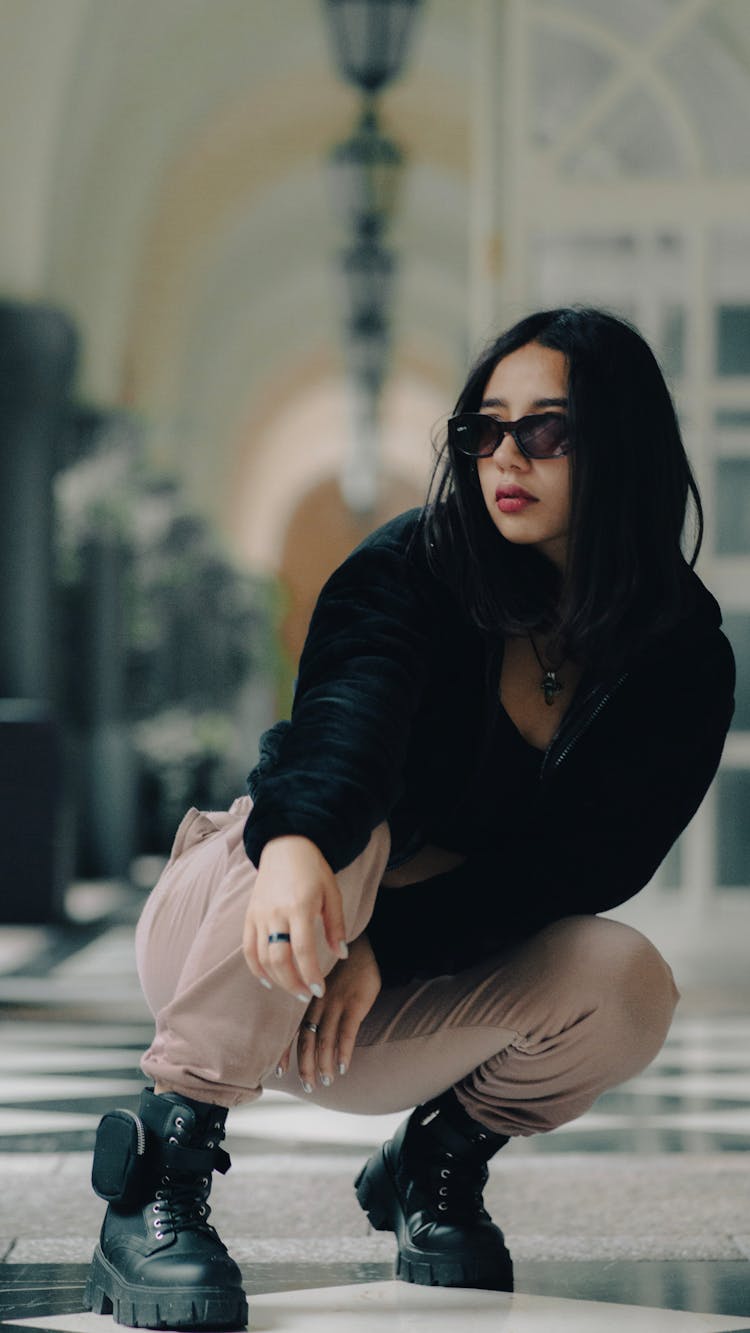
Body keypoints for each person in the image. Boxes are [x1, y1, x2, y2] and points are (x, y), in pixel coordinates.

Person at [84, 308, 735, 1330]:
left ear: (623, 444)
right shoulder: (413, 568)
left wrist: (389, 944)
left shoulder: (681, 654)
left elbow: (587, 864)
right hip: (240, 931)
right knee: (350, 831)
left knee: (627, 980)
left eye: (546, 430)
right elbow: (348, 729)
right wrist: (297, 844)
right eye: (483, 430)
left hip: (380, 996)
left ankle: (433, 1165)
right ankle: (157, 1179)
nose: (504, 456)